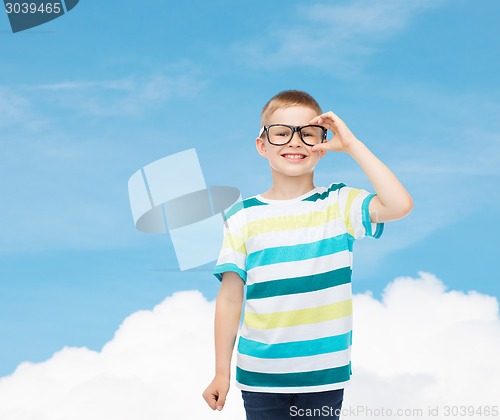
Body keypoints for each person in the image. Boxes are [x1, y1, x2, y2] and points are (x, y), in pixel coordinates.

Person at [202, 90, 413, 419]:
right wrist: (221, 372)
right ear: (262, 145)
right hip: (260, 378)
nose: (295, 142)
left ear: (324, 145)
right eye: (282, 133)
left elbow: (399, 205)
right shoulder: (241, 216)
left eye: (308, 134)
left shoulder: (339, 203)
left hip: (323, 376)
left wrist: (353, 144)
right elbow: (230, 298)